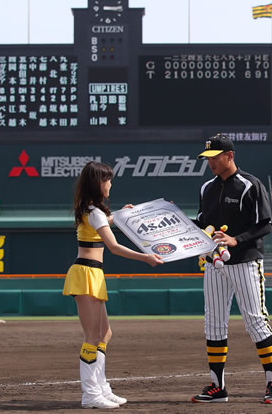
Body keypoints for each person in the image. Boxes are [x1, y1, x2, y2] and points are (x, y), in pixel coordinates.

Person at [62, 160, 163, 409]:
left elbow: (105, 221)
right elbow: (114, 247)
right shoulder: (94, 212)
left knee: (104, 334)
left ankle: (101, 387)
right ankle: (90, 394)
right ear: (98, 183)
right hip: (86, 273)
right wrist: (146, 257)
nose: (111, 184)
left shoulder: (94, 210)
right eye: (108, 180)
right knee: (92, 337)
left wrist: (119, 214)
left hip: (93, 273)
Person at [191, 134, 272, 405]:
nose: (211, 163)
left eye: (215, 158)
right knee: (214, 324)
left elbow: (265, 224)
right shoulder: (206, 188)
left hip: (245, 262)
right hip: (214, 264)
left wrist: (236, 239)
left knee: (255, 320)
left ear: (229, 155)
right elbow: (200, 224)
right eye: (208, 159)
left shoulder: (249, 185)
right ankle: (217, 387)